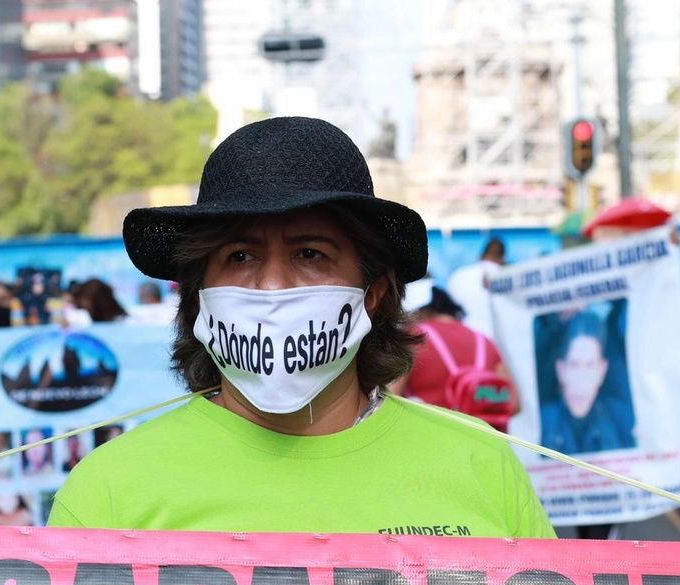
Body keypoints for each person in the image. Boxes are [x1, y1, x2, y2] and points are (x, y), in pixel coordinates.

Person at [49, 116, 554, 539]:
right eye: (240, 255)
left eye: (310, 254)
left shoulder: (480, 463)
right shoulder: (109, 491)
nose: (273, 287)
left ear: (372, 292)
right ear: (197, 291)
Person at [390, 284, 518, 431]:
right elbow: (514, 404)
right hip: (487, 442)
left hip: (435, 441)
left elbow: (389, 400)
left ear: (418, 311)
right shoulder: (483, 340)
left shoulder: (414, 339)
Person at [540, 311, 636, 459]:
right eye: (574, 365)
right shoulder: (541, 423)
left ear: (602, 370)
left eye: (590, 366)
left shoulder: (622, 421)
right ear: (560, 370)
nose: (581, 380)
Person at [445, 236, 507, 339]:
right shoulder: (507, 277)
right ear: (502, 259)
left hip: (462, 339)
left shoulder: (458, 275)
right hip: (495, 343)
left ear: (481, 256)